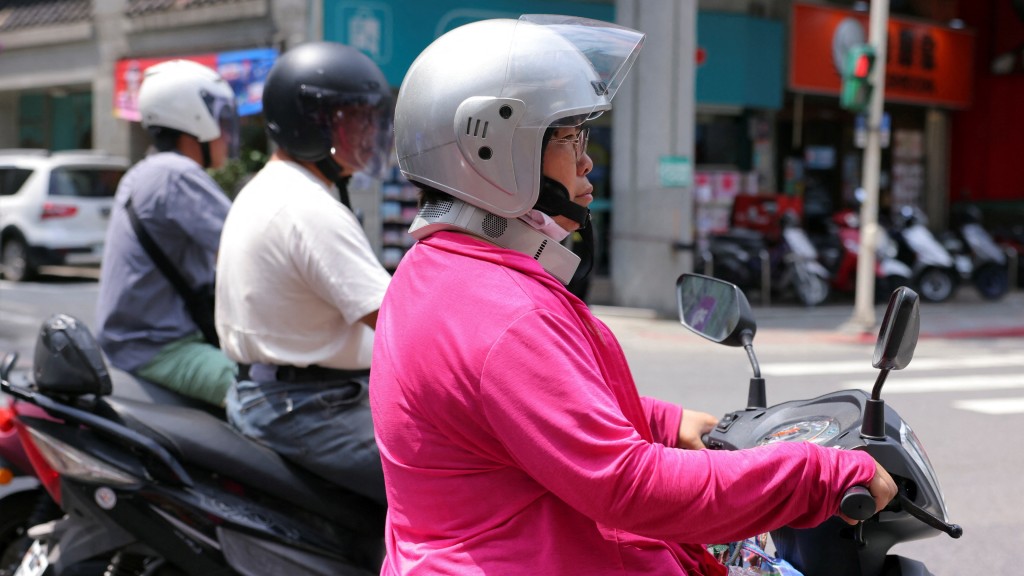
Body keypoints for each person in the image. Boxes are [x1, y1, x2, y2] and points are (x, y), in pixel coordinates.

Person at [369, 15, 897, 575]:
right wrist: (819, 474)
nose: (586, 161)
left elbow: (531, 410)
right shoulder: (504, 312)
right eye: (571, 137)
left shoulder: (436, 270)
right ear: (492, 149)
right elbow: (632, 488)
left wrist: (663, 422)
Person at [215, 42, 394, 505]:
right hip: (310, 410)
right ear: (308, 123)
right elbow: (399, 323)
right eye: (355, 118)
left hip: (287, 398)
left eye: (371, 118)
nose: (369, 132)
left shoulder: (278, 189)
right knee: (455, 476)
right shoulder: (307, 207)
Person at [96, 59, 239, 408]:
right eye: (221, 122)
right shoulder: (176, 175)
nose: (226, 135)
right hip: (158, 349)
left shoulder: (147, 171)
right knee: (261, 396)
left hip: (133, 343)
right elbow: (250, 245)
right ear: (196, 120)